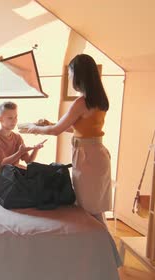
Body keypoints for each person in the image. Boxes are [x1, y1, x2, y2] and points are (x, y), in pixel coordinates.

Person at [26, 54, 111, 224]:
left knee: (87, 206)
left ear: (79, 75)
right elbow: (81, 128)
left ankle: (96, 245)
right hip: (97, 154)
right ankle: (101, 244)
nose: (70, 76)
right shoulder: (99, 100)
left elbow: (55, 131)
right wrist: (51, 124)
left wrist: (34, 128)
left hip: (87, 157)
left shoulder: (81, 102)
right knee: (94, 206)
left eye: (71, 72)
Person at [0, 101, 44, 187]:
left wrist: (36, 149)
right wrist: (19, 152)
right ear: (0, 119)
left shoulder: (17, 137)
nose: (14, 121)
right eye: (10, 118)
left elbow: (29, 161)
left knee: (40, 179)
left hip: (12, 174)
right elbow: (2, 164)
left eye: (16, 117)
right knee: (19, 186)